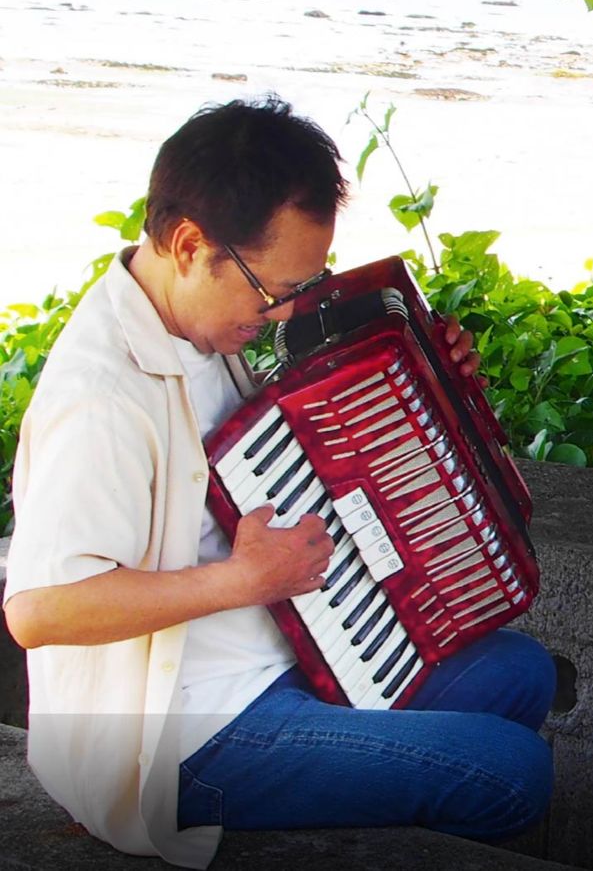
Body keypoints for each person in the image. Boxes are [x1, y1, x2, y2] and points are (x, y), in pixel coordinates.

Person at [2, 98, 556, 867]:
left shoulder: (211, 322)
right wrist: (242, 579)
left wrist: (438, 375)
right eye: (276, 291)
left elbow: (339, 421)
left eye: (309, 281)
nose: (290, 310)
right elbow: (38, 611)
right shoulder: (100, 399)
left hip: (298, 650)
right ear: (190, 245)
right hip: (177, 737)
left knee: (520, 672)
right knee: (512, 774)